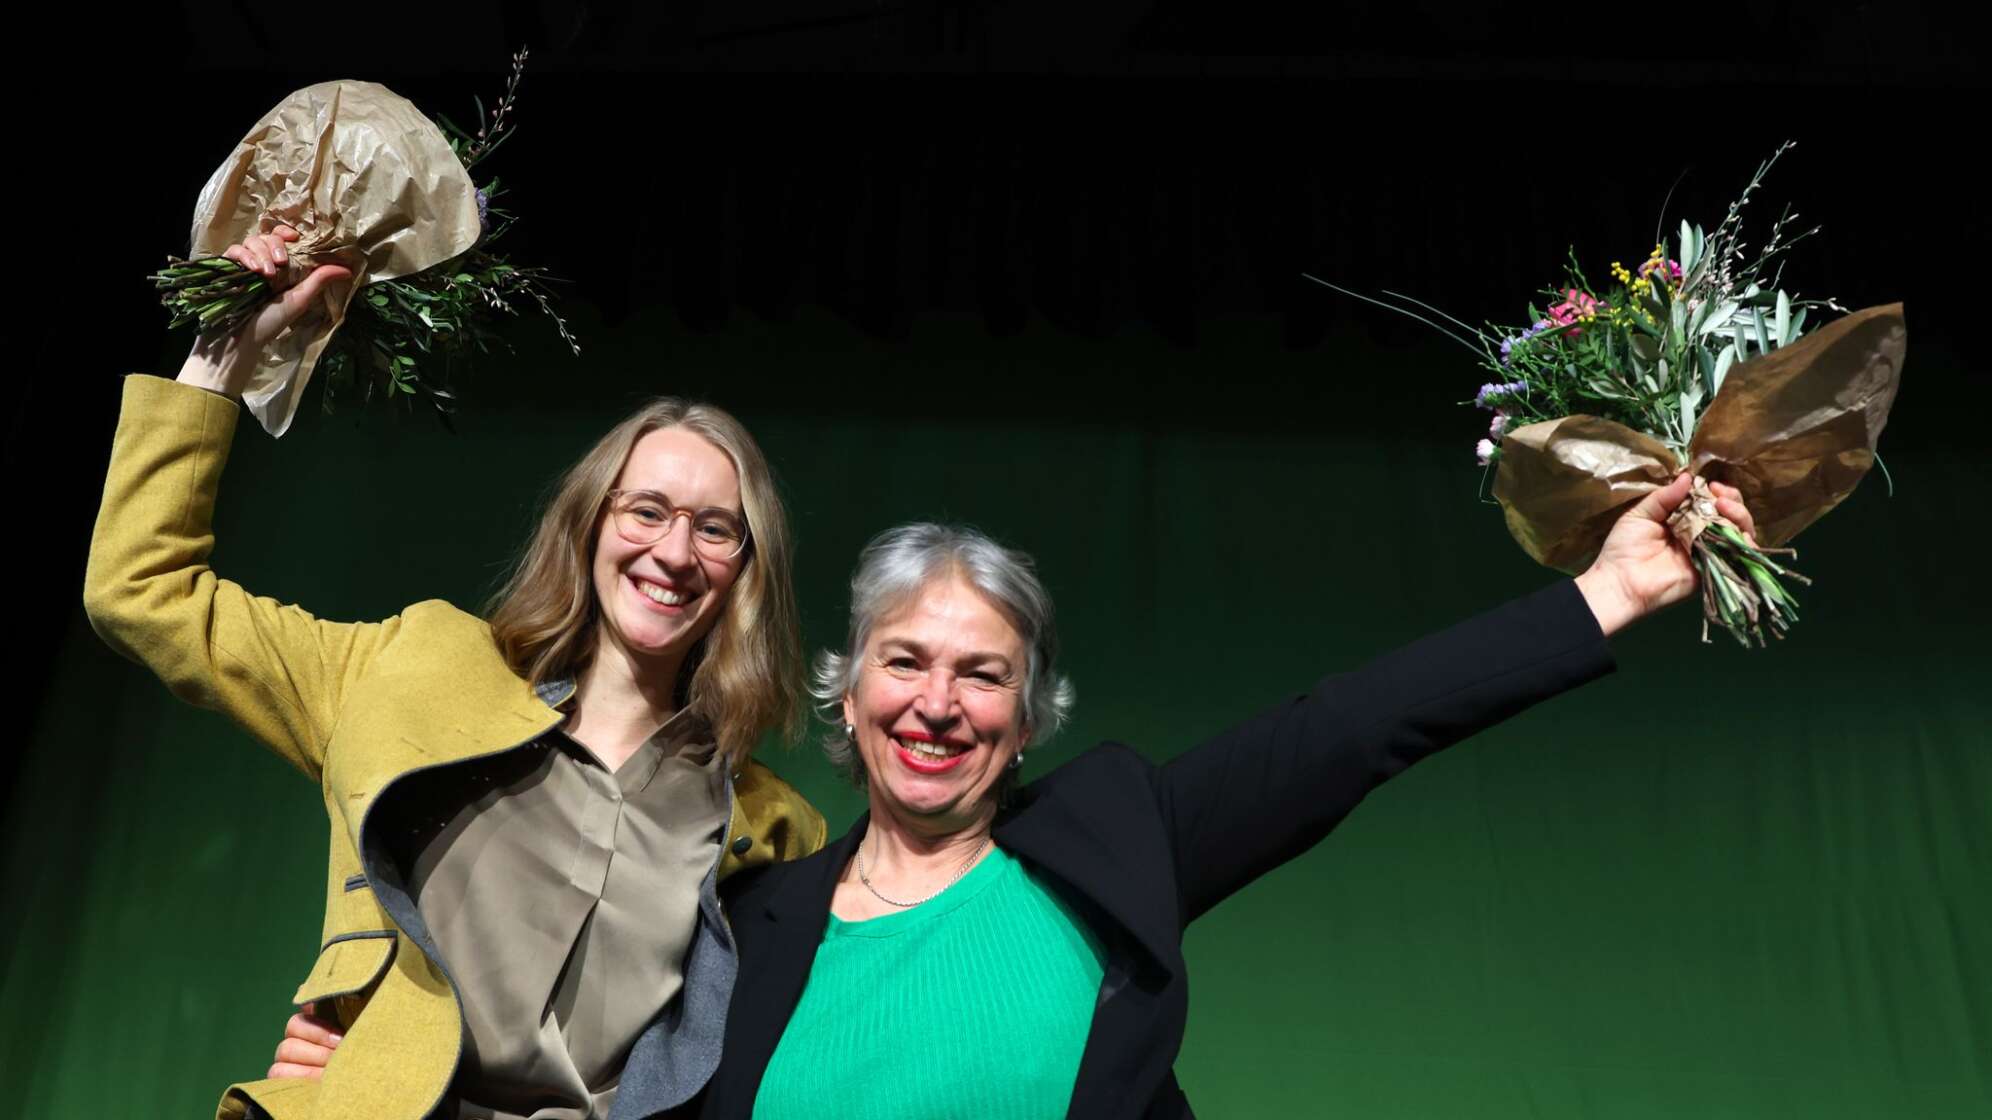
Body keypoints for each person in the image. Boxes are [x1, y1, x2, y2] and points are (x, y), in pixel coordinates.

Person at [277, 481, 1761, 1118]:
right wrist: (378, 1061)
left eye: (982, 674)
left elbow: (1350, 730)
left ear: (1028, 710)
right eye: (907, 663)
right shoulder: (747, 920)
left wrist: (1607, 592)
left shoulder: (1113, 842)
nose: (940, 703)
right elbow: (569, 1067)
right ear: (847, 696)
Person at [83, 226, 826, 1120]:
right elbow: (143, 591)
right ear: (590, 523)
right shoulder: (416, 665)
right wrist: (223, 354)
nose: (674, 552)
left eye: (715, 529)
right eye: (646, 511)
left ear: (745, 570)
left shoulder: (771, 828)